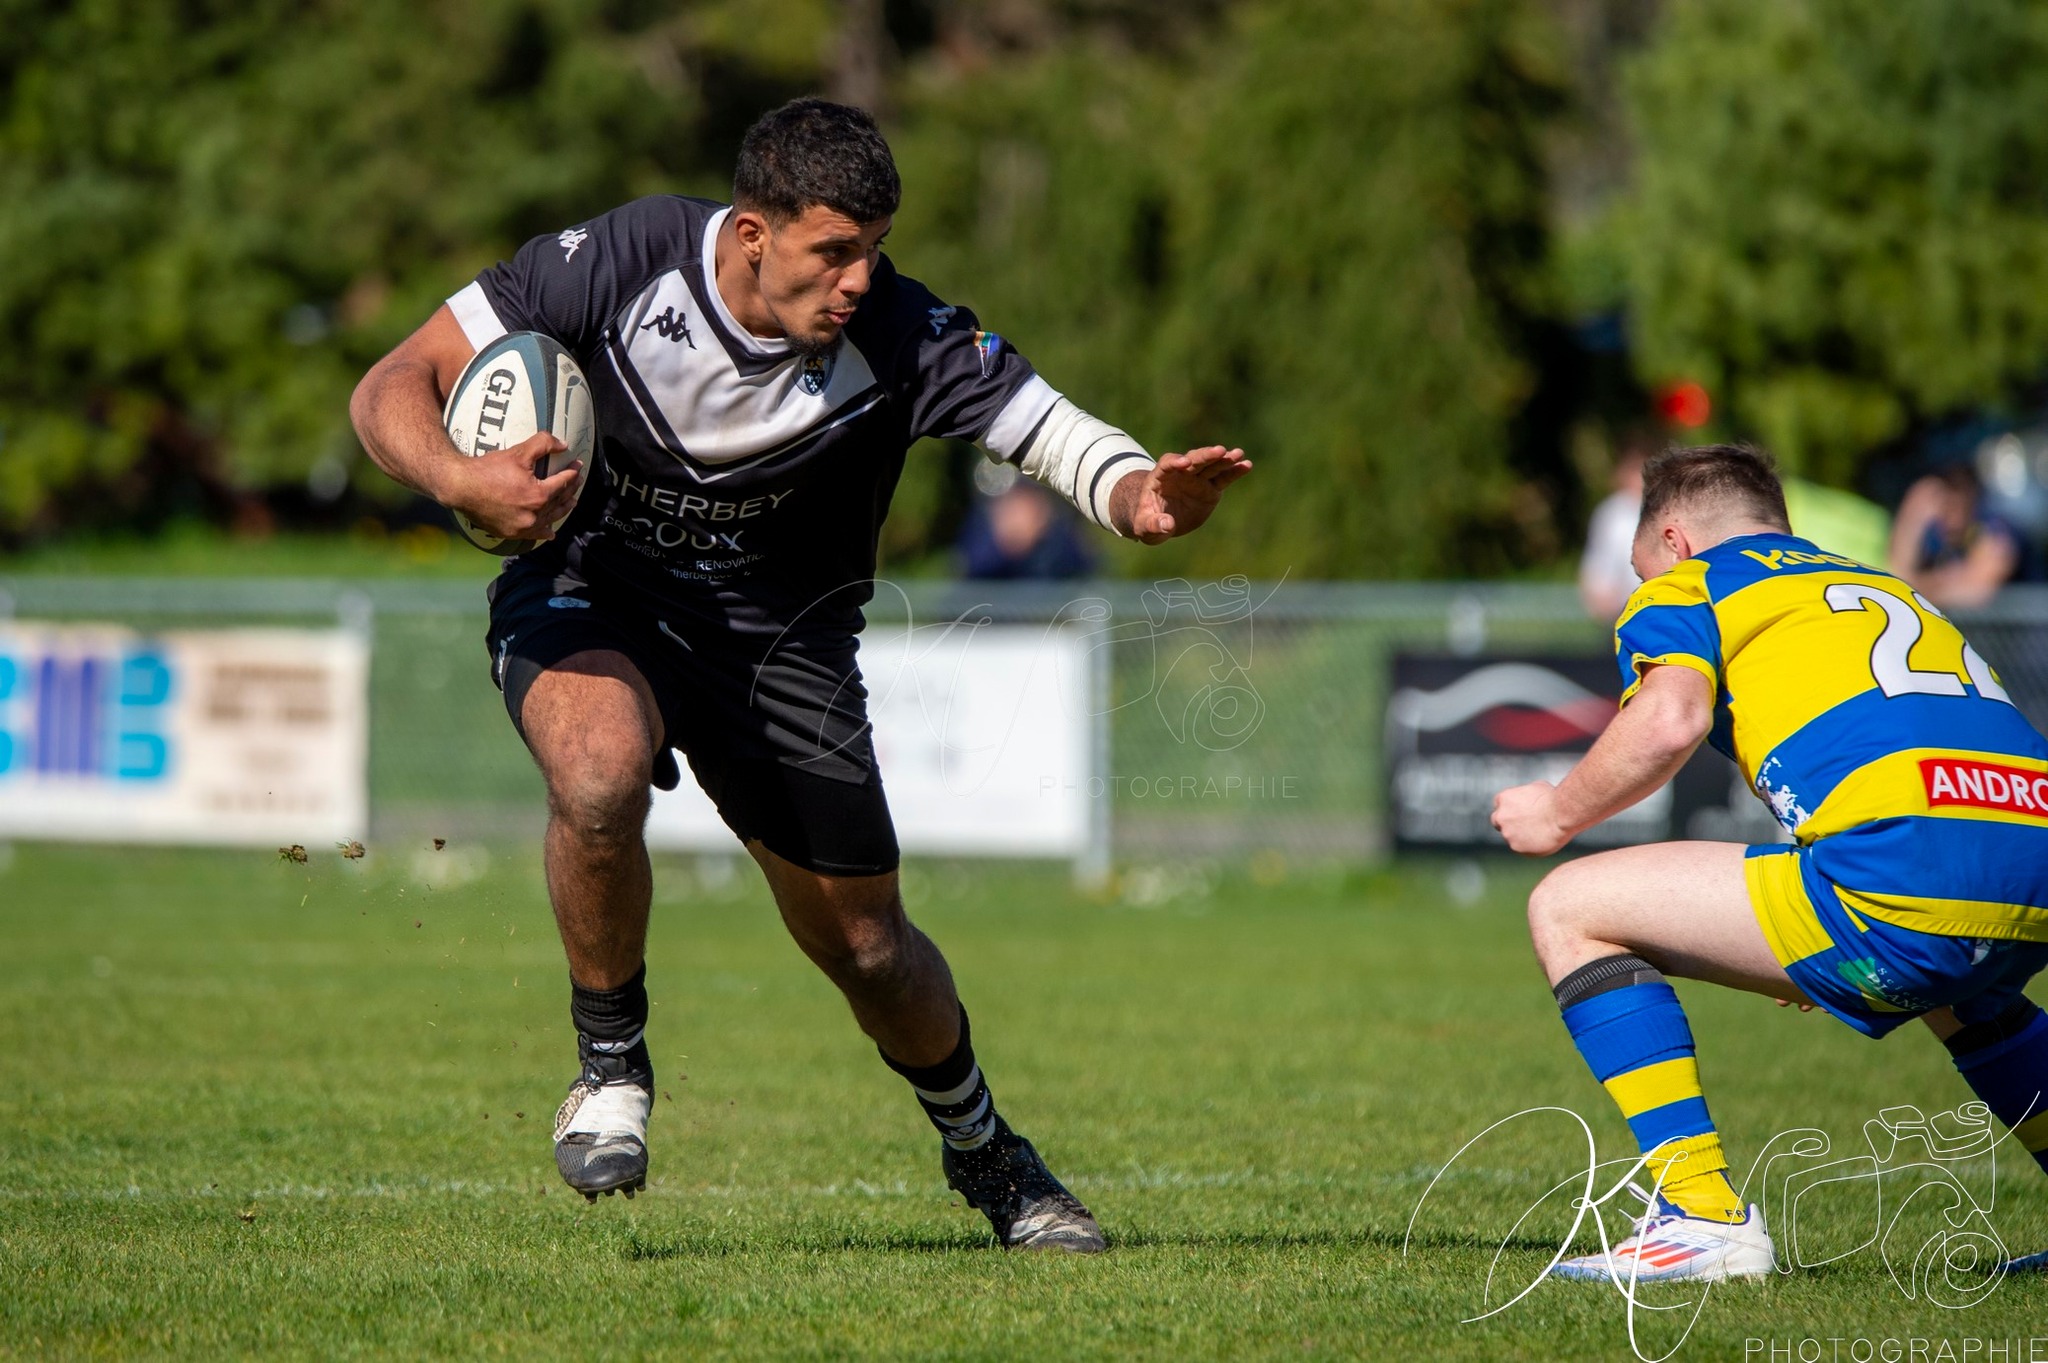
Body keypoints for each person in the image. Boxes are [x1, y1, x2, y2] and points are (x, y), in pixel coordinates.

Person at [349, 99, 1251, 1251]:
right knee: (597, 770)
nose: (859, 280)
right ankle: (609, 1065)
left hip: (781, 645)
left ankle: (988, 1154)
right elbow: (393, 382)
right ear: (749, 236)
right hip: (590, 591)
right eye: (835, 251)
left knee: (868, 947)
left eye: (872, 249)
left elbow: (1044, 428)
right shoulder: (617, 263)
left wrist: (1143, 494)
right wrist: (460, 482)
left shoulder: (899, 331)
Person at [1491, 443, 2048, 1282]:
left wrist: (1556, 811)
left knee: (1566, 905)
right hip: (2030, 864)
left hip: (1905, 879)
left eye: (1644, 570)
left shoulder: (1692, 583)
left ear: (1674, 541)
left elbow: (1671, 718)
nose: (1645, 591)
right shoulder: (1875, 586)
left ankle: (1701, 1219)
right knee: (1970, 998)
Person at [1887, 463, 2024, 610]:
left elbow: (1974, 594)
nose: (1953, 517)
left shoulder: (1996, 527)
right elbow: (1897, 574)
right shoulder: (1934, 535)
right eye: (1946, 504)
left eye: (1960, 504)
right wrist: (1913, 512)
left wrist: (1919, 585)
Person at [1577, 447, 1644, 621]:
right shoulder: (1612, 512)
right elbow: (1600, 555)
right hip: (1621, 603)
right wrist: (1597, 590)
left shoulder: (1662, 509)